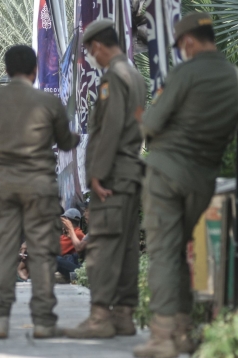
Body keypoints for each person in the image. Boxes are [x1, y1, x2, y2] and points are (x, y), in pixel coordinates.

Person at [133, 13, 238, 358]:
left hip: (166, 175)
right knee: (177, 249)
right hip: (202, 180)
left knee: (163, 253)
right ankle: (182, 333)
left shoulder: (185, 72)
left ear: (187, 42)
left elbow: (151, 125)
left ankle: (165, 337)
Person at [0, 45, 80, 338]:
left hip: (4, 187)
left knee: (5, 251)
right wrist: (75, 136)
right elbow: (65, 140)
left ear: (7, 70)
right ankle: (44, 321)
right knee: (42, 252)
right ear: (35, 70)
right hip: (39, 188)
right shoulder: (48, 102)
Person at [64, 20, 146, 340]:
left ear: (97, 45)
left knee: (101, 246)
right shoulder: (136, 77)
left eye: (89, 51)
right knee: (126, 247)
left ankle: (99, 318)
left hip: (111, 176)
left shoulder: (113, 78)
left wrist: (97, 174)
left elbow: (110, 128)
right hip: (130, 174)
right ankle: (124, 317)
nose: (90, 58)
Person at [56, 209, 85, 283]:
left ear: (69, 221)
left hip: (75, 265)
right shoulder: (66, 234)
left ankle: (76, 276)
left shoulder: (77, 234)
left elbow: (59, 249)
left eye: (64, 220)